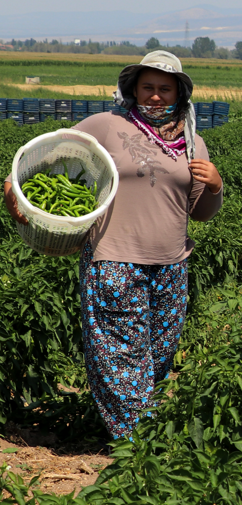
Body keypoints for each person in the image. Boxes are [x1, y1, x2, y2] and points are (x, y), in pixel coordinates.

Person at [3, 50, 224, 439]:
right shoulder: (107, 125)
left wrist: (215, 186)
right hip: (113, 258)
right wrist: (11, 187)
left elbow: (201, 213)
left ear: (179, 93)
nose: (155, 95)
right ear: (133, 89)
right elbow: (50, 153)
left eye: (165, 88)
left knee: (157, 356)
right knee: (120, 356)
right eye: (147, 87)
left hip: (171, 264)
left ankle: (145, 432)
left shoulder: (193, 142)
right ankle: (135, 444)